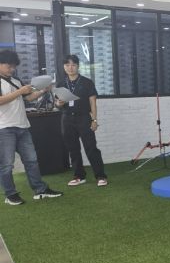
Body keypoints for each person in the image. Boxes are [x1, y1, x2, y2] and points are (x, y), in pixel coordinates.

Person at [0, 50, 63, 205]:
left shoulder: (16, 80)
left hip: (23, 126)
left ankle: (40, 190)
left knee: (32, 161)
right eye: (9, 66)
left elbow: (28, 98)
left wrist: (43, 90)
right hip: (4, 128)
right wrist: (20, 91)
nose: (12, 69)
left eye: (14, 66)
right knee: (7, 165)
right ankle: (10, 195)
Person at [55, 55, 108, 187]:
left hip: (84, 118)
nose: (70, 68)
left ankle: (100, 176)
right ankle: (79, 176)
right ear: (64, 67)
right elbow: (57, 103)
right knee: (73, 149)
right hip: (67, 118)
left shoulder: (87, 82)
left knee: (91, 148)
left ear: (78, 66)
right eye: (67, 65)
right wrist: (59, 103)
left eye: (73, 65)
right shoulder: (61, 84)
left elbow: (93, 102)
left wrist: (94, 120)